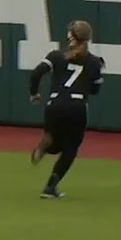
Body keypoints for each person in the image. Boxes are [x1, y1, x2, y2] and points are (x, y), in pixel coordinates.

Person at [28, 20, 105, 199]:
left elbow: (36, 73)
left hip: (54, 105)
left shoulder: (56, 56)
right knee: (70, 148)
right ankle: (50, 187)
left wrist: (34, 94)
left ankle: (47, 143)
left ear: (70, 36)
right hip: (77, 107)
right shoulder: (95, 62)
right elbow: (95, 90)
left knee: (55, 142)